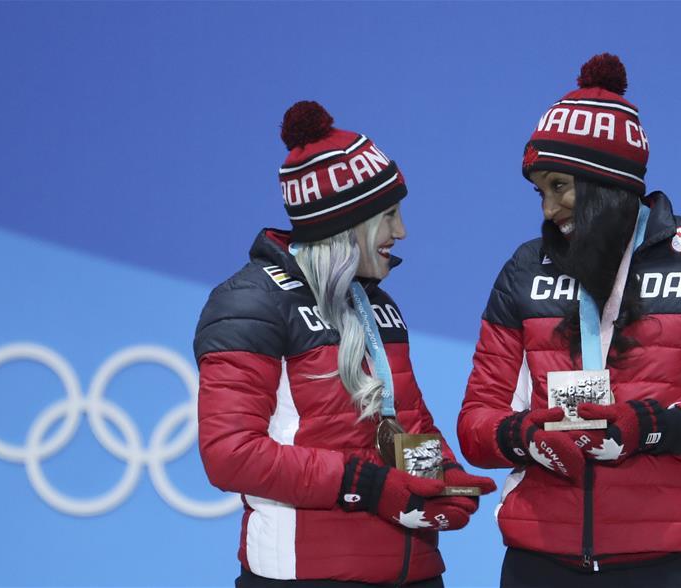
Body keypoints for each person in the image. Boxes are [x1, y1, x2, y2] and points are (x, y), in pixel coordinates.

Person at [457, 54, 681, 587]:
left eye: (560, 187)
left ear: (607, 184)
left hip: (672, 566)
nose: (548, 210)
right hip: (537, 565)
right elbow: (476, 423)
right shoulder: (524, 269)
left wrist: (656, 427)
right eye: (540, 191)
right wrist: (525, 436)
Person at [195, 101, 496, 587]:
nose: (401, 232)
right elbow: (231, 454)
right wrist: (366, 485)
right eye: (389, 216)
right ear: (344, 224)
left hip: (415, 573)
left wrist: (441, 473)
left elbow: (408, 421)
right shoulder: (251, 302)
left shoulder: (376, 302)